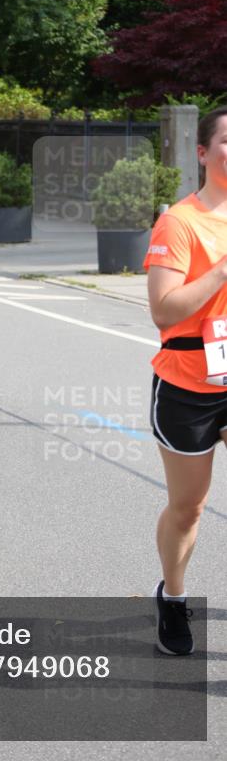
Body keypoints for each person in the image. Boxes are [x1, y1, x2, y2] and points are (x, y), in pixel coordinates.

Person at [145, 106, 227, 656]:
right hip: (188, 382)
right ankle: (173, 596)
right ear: (203, 152)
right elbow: (163, 309)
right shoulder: (180, 222)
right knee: (188, 507)